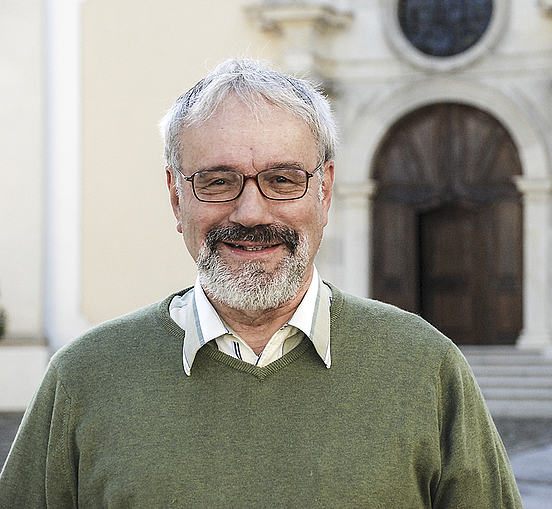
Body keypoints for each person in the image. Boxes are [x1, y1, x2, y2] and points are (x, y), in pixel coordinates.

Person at [0, 58, 522, 508]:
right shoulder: (85, 377)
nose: (250, 212)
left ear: (325, 190)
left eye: (283, 179)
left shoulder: (426, 368)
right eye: (218, 181)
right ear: (176, 196)